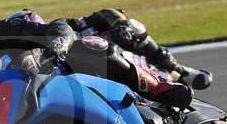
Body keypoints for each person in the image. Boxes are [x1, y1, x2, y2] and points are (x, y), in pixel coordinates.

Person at [0, 8, 199, 124]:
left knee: (100, 36)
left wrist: (58, 46)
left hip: (68, 70)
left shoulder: (4, 31)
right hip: (31, 108)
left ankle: (167, 77)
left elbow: (60, 28)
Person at [66, 8, 212, 90]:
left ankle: (180, 71)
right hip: (97, 77)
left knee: (130, 28)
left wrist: (120, 24)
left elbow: (108, 13)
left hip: (118, 56)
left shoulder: (71, 26)